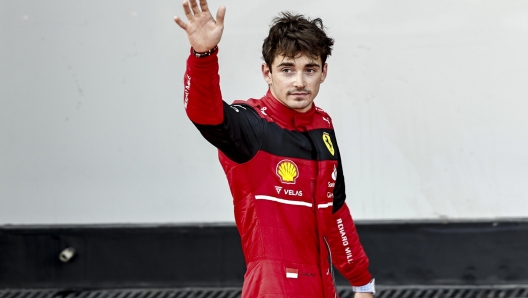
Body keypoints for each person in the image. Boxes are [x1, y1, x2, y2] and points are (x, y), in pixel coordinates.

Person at [174, 0, 375, 297]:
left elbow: (334, 210)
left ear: (324, 72)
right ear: (267, 73)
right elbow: (205, 113)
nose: (299, 82)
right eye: (287, 69)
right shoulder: (252, 126)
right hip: (272, 287)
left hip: (322, 284)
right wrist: (203, 55)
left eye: (310, 69)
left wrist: (361, 282)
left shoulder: (323, 127)